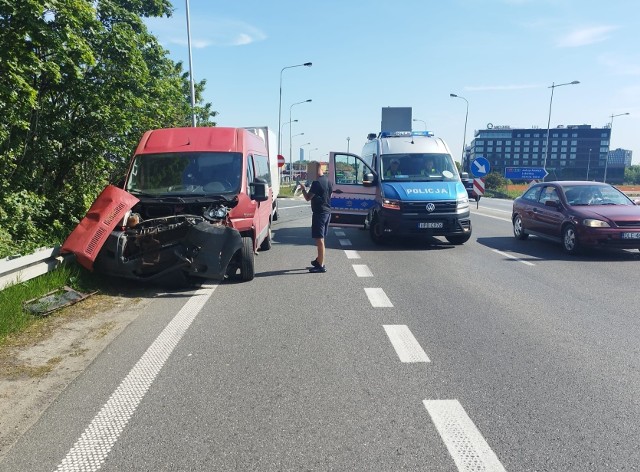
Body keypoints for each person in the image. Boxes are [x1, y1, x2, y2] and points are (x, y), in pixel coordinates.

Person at [299, 161, 333, 273]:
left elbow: (308, 197)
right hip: (327, 212)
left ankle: (321, 266)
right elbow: (330, 195)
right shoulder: (328, 181)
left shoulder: (316, 183)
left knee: (319, 240)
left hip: (320, 213)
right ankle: (319, 260)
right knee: (321, 238)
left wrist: (303, 188)